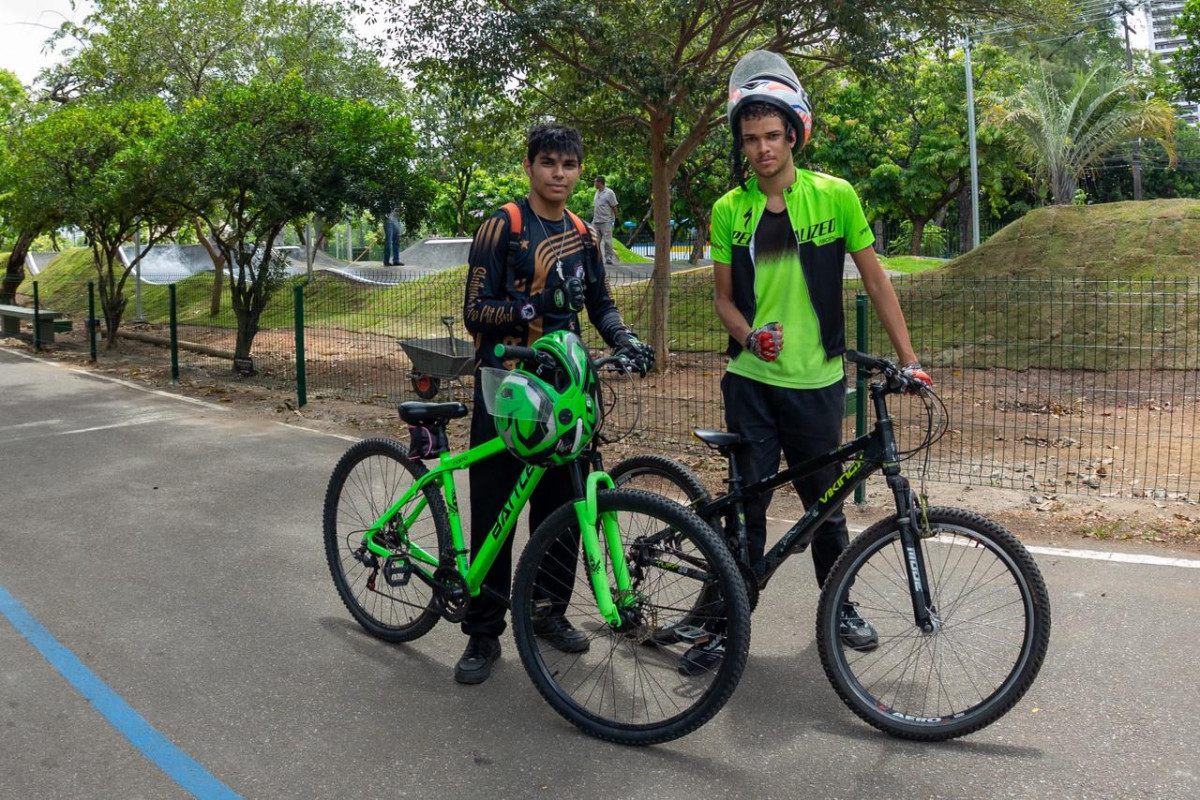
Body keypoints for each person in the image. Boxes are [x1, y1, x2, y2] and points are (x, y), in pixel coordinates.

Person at [709, 51, 932, 660]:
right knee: (747, 506)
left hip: (817, 382)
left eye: (772, 136)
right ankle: (727, 619)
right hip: (750, 381)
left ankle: (840, 608)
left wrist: (908, 359)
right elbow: (725, 303)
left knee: (826, 506)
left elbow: (877, 281)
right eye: (751, 139)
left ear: (794, 134)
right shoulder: (731, 210)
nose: (761, 149)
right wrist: (750, 335)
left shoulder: (835, 198)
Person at [458, 123, 654, 685]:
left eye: (568, 166)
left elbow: (600, 304)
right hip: (508, 391)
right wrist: (528, 308)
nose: (559, 175)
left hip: (568, 391)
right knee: (496, 510)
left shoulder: (583, 235)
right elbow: (476, 309)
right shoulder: (503, 226)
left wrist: (624, 338)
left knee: (564, 508)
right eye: (548, 164)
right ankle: (481, 632)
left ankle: (549, 613)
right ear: (529, 166)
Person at [591, 176, 619, 266]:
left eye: (595, 182)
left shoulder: (609, 193)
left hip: (606, 221)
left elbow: (614, 206)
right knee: (595, 241)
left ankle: (609, 257)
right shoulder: (597, 193)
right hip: (596, 221)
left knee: (607, 241)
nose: (594, 184)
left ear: (600, 183)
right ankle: (597, 258)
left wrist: (616, 218)